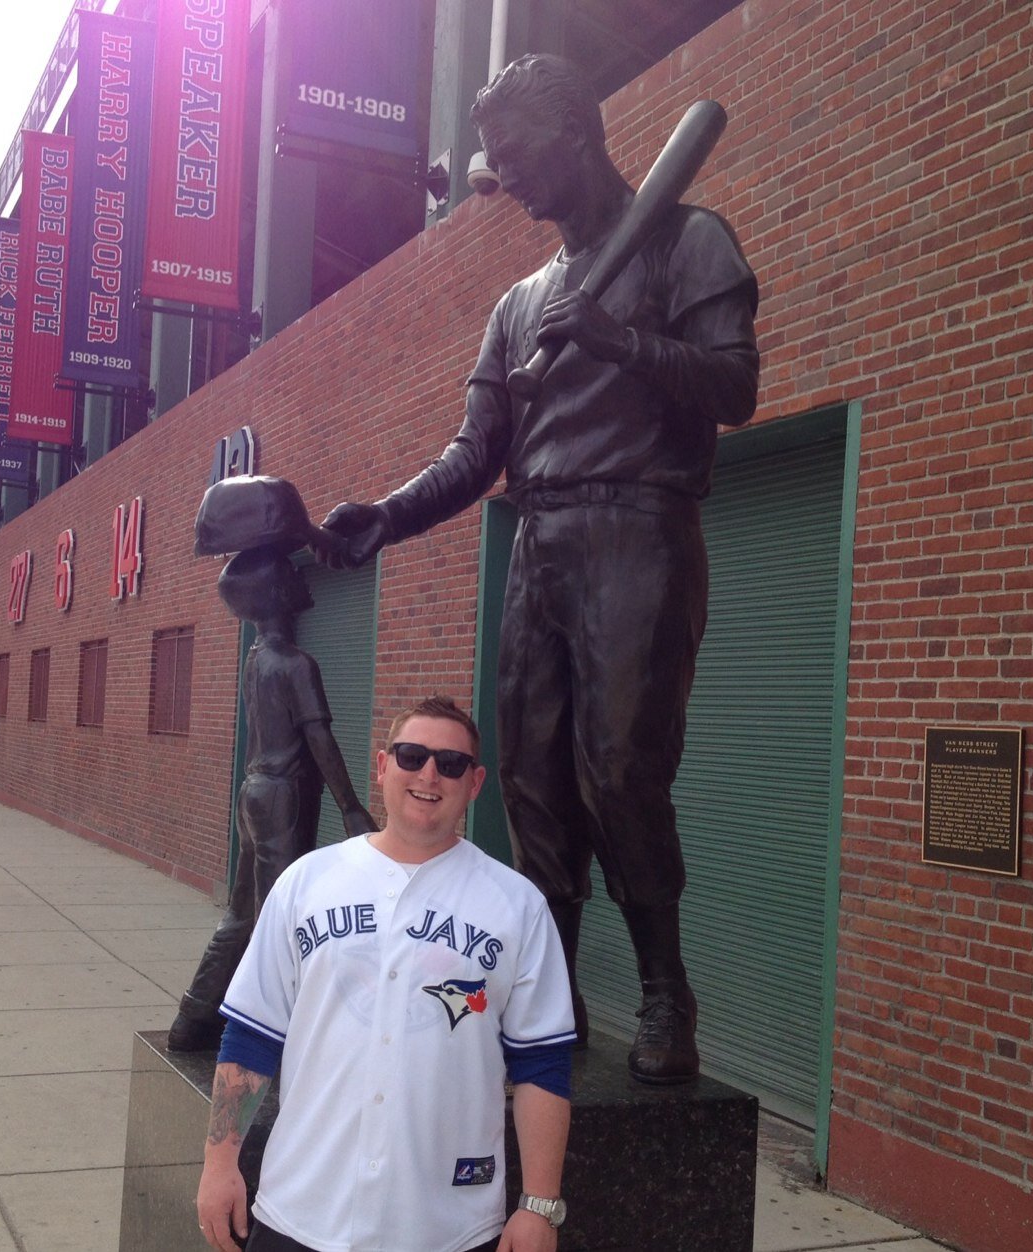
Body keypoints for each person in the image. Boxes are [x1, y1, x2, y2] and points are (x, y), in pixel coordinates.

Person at [317, 54, 760, 1084]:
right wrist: (384, 514)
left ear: (577, 136)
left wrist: (617, 342)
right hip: (542, 541)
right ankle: (545, 983)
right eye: (494, 159)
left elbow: (734, 388)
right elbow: (476, 455)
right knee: (533, 784)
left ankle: (662, 985)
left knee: (618, 773)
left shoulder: (686, 242)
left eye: (516, 156)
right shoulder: (518, 302)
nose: (502, 177)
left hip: (641, 529)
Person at [197, 695, 575, 1252]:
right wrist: (219, 1163)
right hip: (301, 1209)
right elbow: (253, 1033)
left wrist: (539, 1205)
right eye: (411, 755)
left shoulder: (517, 905)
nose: (428, 774)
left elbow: (541, 1062)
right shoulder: (308, 882)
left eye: (450, 764)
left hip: (448, 1224)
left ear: (474, 783)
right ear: (381, 767)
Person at [168, 547, 377, 1051]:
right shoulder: (295, 664)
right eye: (293, 574)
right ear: (280, 594)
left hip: (255, 792)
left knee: (244, 913)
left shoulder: (257, 658)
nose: (306, 581)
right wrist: (350, 805)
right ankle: (266, 1033)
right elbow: (319, 741)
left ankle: (195, 1017)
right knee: (281, 919)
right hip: (284, 797)